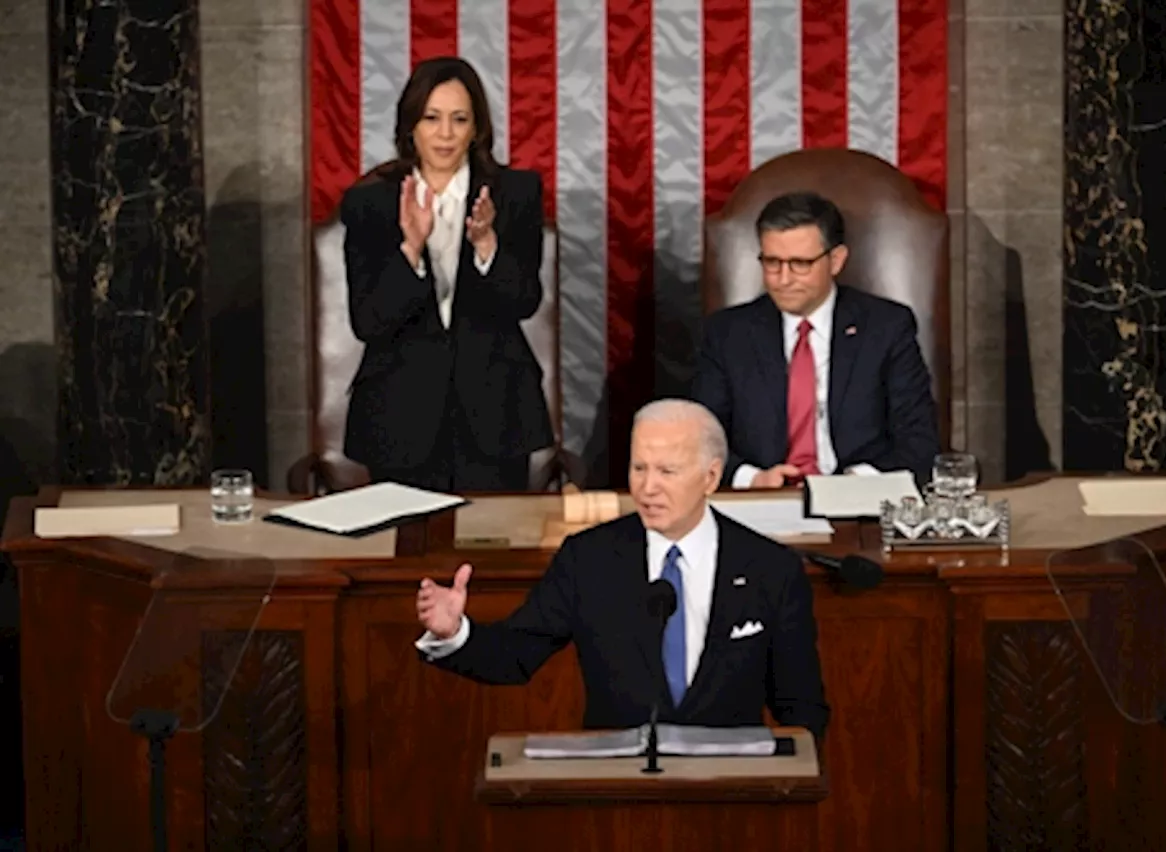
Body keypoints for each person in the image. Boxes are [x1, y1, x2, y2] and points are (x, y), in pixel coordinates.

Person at [413, 398, 829, 740]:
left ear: (710, 477)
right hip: (617, 799)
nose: (648, 488)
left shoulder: (770, 568)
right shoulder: (588, 558)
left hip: (731, 801)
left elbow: (802, 709)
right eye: (639, 468)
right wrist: (454, 632)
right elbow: (515, 655)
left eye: (667, 471)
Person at [339, 56, 553, 491]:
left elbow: (525, 300)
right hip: (398, 416)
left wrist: (486, 244)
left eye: (459, 119)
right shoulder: (370, 202)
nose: (445, 134)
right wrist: (411, 249)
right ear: (410, 126)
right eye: (432, 118)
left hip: (497, 414)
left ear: (476, 128)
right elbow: (368, 321)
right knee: (408, 555)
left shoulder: (514, 194)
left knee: (493, 549)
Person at [691, 191, 940, 489]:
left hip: (858, 501)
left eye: (800, 264)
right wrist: (753, 478)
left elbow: (919, 439)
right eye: (772, 262)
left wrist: (852, 484)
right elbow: (701, 437)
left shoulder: (886, 327)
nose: (783, 279)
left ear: (836, 261)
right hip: (762, 502)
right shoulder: (728, 333)